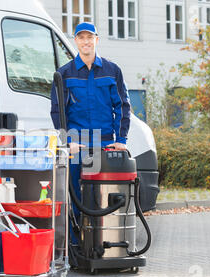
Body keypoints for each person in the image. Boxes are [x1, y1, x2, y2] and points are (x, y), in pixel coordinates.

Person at [50, 22, 131, 243]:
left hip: (104, 142)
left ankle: (102, 243)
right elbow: (58, 112)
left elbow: (122, 106)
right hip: (78, 143)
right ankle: (77, 248)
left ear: (97, 39)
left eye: (90, 37)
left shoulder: (112, 70)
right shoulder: (64, 74)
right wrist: (66, 142)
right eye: (81, 38)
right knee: (76, 195)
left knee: (101, 196)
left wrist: (121, 139)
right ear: (75, 41)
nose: (86, 42)